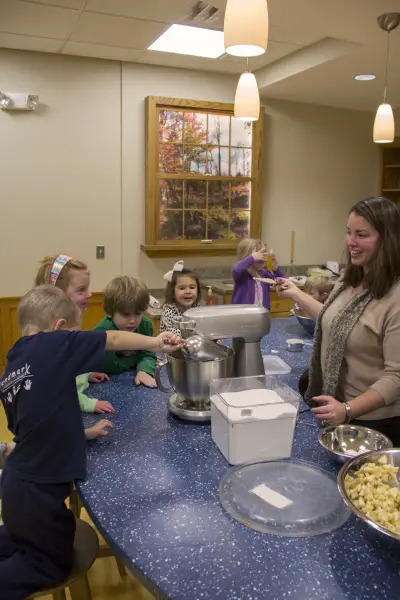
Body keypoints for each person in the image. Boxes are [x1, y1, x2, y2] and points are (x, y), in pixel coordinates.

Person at [0, 285, 181, 599]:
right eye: (75, 333)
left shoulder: (14, 362)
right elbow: (111, 339)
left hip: (17, 484)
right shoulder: (54, 342)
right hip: (40, 494)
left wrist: (82, 434)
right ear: (59, 328)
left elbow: (34, 427)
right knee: (48, 565)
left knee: (22, 541)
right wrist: (156, 342)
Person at [276, 197, 400, 444]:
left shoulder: (395, 298)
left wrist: (348, 409)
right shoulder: (347, 280)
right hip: (338, 410)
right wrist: (295, 293)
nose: (351, 242)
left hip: (374, 423)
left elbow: (396, 377)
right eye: (349, 232)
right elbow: (332, 319)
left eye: (362, 235)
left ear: (387, 240)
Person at [35, 255, 113, 416]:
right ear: (58, 295)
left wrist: (86, 375)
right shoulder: (53, 337)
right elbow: (59, 389)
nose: (89, 294)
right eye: (81, 290)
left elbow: (71, 368)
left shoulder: (68, 326)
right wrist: (89, 404)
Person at [93, 276, 157, 387]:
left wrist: (144, 370)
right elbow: (112, 367)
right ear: (109, 311)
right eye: (126, 314)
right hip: (108, 382)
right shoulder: (102, 331)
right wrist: (138, 358)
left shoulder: (145, 325)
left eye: (138, 314)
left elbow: (148, 354)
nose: (132, 321)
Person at [231, 238, 284, 310]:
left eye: (264, 253)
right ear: (246, 256)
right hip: (242, 317)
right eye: (259, 254)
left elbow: (283, 283)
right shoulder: (242, 275)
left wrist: (276, 269)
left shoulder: (265, 274)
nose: (263, 257)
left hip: (261, 317)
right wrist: (252, 258)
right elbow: (236, 269)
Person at [160, 261, 201, 336]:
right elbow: (176, 336)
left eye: (192, 287)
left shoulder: (197, 308)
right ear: (172, 293)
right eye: (182, 288)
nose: (188, 291)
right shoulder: (169, 311)